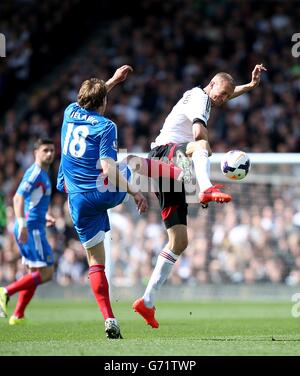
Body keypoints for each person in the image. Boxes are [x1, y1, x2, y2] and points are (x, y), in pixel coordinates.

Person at [56, 65, 188, 339]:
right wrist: (134, 192)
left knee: (95, 262)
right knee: (131, 161)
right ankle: (176, 172)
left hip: (78, 199)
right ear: (103, 102)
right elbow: (108, 168)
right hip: (103, 191)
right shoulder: (106, 126)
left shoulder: (70, 112)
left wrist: (113, 81)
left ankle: (109, 319)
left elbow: (89, 99)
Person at [133, 64, 267, 328]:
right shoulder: (199, 97)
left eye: (228, 96)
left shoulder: (207, 96)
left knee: (179, 241)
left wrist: (249, 87)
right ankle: (206, 187)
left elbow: (226, 89)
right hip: (162, 153)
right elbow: (197, 133)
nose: (224, 98)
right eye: (222, 93)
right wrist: (201, 148)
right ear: (212, 84)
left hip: (169, 167)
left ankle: (146, 302)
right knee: (202, 144)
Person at [0, 138, 56, 325]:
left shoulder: (43, 174)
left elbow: (33, 202)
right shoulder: (35, 174)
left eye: (52, 150)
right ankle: (5, 292)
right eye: (45, 150)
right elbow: (17, 198)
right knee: (47, 272)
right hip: (31, 229)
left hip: (34, 224)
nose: (49, 154)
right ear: (36, 153)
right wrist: (23, 223)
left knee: (34, 273)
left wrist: (44, 215)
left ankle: (18, 315)